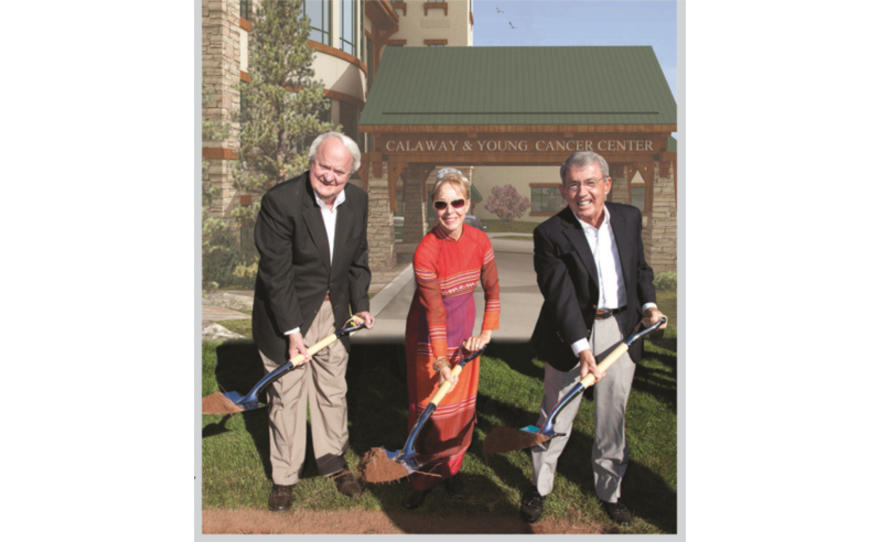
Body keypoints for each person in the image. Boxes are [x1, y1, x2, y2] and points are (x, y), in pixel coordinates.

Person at [520, 151, 667, 526]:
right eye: (572, 184)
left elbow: (639, 269)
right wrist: (582, 348)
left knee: (611, 418)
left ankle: (610, 492)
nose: (581, 192)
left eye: (589, 182)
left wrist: (649, 306)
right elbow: (561, 298)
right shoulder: (550, 233)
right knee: (555, 414)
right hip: (571, 333)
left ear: (606, 184)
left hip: (622, 330)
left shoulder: (629, 218)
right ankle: (538, 487)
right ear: (562, 189)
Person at [251, 132, 376, 512]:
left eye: (339, 171)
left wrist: (361, 304)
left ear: (351, 172)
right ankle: (285, 478)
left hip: (334, 313)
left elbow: (358, 258)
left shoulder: (358, 200)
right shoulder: (280, 202)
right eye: (324, 166)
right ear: (311, 161)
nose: (330, 177)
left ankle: (333, 464)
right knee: (287, 398)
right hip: (287, 313)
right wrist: (292, 332)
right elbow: (277, 274)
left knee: (332, 391)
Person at [401, 169, 501, 509]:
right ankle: (421, 480)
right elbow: (434, 313)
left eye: (457, 202)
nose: (450, 211)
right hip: (429, 336)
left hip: (467, 334)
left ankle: (450, 469)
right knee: (428, 410)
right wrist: (441, 360)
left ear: (467, 202)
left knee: (460, 409)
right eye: (441, 204)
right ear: (433, 206)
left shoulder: (480, 242)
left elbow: (492, 290)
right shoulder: (426, 251)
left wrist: (485, 333)